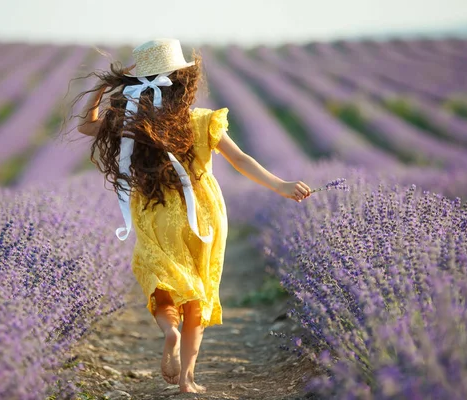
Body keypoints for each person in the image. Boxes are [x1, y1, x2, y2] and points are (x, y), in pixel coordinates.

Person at [69, 38, 311, 394]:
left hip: (155, 211)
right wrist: (281, 185)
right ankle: (188, 380)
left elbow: (85, 126)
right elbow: (241, 160)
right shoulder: (202, 120)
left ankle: (169, 330)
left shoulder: (133, 123)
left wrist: (103, 87)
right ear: (184, 80)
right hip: (204, 214)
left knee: (162, 282)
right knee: (199, 292)